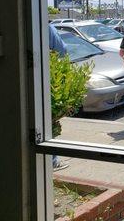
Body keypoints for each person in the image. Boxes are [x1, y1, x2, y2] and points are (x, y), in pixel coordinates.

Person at [48, 25, 69, 171]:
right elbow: (62, 52)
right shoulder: (45, 27)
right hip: (44, 81)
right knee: (47, 122)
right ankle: (52, 162)